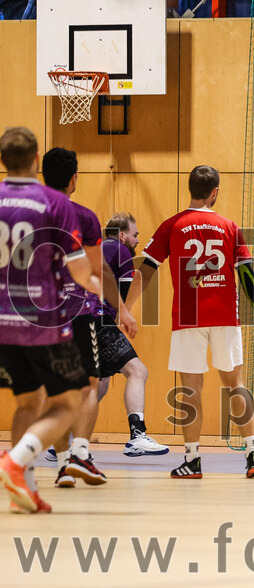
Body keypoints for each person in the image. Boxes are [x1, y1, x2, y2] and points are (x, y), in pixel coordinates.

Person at [126, 165, 254, 479]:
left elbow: (146, 271)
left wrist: (126, 308)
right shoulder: (230, 226)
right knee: (236, 385)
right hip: (224, 315)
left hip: (189, 316)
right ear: (215, 191)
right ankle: (253, 454)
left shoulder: (172, 225)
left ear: (190, 189)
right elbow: (246, 275)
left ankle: (192, 461)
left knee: (191, 390)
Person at [0, 127, 104, 513]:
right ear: (35, 160)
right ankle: (15, 460)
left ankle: (21, 489)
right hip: (43, 320)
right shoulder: (54, 203)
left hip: (2, 320)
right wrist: (102, 291)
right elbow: (80, 273)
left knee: (27, 401)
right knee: (70, 402)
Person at [41, 148, 141, 488]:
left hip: (41, 317)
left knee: (56, 391)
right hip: (79, 313)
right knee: (88, 386)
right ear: (74, 179)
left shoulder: (30, 214)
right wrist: (123, 309)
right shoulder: (83, 217)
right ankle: (79, 456)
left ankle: (65, 462)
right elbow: (99, 270)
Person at [98, 213, 168, 457]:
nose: (138, 240)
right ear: (121, 235)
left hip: (79, 320)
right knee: (138, 371)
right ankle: (137, 436)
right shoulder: (121, 252)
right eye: (135, 235)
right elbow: (126, 296)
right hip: (99, 320)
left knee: (100, 381)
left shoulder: (95, 249)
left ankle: (64, 440)